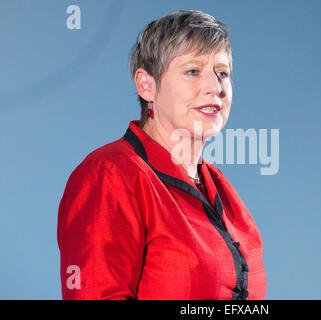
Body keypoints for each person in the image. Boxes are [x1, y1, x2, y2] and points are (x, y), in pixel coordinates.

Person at [57, 10, 266, 300]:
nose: (215, 88)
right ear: (147, 85)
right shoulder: (110, 174)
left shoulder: (219, 187)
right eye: (193, 71)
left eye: (222, 73)